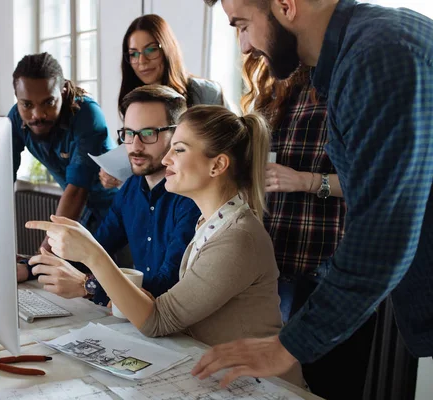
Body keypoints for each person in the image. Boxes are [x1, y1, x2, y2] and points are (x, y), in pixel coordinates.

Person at [194, 0, 433, 387]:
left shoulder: (379, 55)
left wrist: (285, 347)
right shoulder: (356, 54)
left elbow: (382, 235)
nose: (244, 46)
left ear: (286, 5)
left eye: (242, 25)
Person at [26, 105, 304, 387]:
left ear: (217, 165)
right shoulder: (211, 222)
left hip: (268, 388)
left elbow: (156, 320)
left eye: (179, 150)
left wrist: (93, 256)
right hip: (223, 378)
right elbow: (163, 307)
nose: (167, 159)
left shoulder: (237, 238)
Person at [246, 56, 375, 399]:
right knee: (276, 387)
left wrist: (306, 180)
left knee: (324, 384)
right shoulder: (273, 88)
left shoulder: (345, 83)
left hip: (325, 264)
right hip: (274, 260)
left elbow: (374, 179)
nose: (246, 44)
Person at [17, 85, 200, 306]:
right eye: (129, 133)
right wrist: (31, 267)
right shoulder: (132, 189)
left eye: (149, 133)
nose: (135, 146)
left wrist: (87, 286)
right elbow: (96, 245)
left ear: (177, 134)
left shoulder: (191, 198)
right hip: (139, 321)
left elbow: (167, 284)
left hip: (178, 326)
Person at [99, 14, 233, 189]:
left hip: (198, 194)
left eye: (150, 50)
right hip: (153, 199)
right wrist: (116, 173)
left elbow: (230, 148)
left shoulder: (205, 93)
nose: (142, 61)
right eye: (133, 54)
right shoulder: (134, 100)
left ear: (167, 49)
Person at [9, 53, 117, 253]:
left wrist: (43, 253)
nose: (38, 115)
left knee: (108, 278)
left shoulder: (87, 115)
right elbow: (3, 177)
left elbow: (76, 191)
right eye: (27, 105)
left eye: (48, 102)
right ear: (17, 100)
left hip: (116, 210)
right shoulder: (15, 118)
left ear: (64, 92)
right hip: (78, 210)